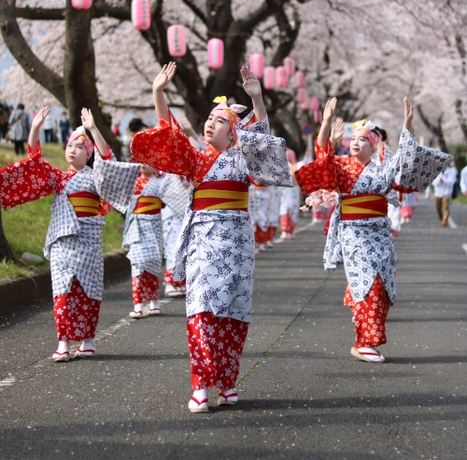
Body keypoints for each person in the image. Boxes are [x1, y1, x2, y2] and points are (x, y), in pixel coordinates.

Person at [130, 62, 292, 412]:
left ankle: (228, 381)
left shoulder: (242, 159)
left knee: (234, 311)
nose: (209, 124)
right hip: (204, 239)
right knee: (202, 306)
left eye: (219, 121)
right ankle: (202, 384)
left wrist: (257, 99)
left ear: (234, 134)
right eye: (208, 119)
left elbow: (260, 139)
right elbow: (170, 134)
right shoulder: (196, 159)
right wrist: (158, 93)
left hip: (237, 244)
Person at [295, 97, 451, 364]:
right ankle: (364, 342)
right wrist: (327, 123)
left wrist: (408, 125)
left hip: (379, 232)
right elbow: (323, 153)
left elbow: (406, 160)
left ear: (374, 144)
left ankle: (364, 337)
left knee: (383, 285)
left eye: (363, 139)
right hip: (354, 232)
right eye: (353, 138)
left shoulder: (383, 169)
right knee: (369, 284)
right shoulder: (342, 166)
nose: (356, 142)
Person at [0, 106, 140, 362]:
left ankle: (87, 339)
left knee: (87, 291)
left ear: (88, 154)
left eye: (79, 147)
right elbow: (35, 162)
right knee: (63, 292)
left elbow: (106, 159)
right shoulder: (58, 178)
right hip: (63, 242)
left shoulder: (96, 176)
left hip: (88, 240)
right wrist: (34, 129)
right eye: (70, 146)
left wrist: (93, 129)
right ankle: (63, 341)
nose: (72, 150)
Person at [122, 163, 188, 317]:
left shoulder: (162, 182)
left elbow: (172, 200)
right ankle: (138, 304)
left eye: (148, 161)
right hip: (136, 226)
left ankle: (154, 302)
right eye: (141, 161)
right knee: (137, 265)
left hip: (154, 226)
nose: (143, 165)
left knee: (152, 264)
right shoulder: (132, 182)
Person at [432, 160, 458, 227]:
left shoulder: (450, 171)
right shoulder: (436, 171)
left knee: (446, 207)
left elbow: (453, 181)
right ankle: (441, 219)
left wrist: (444, 180)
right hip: (438, 193)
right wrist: (439, 180)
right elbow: (433, 182)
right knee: (438, 207)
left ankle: (445, 220)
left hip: (447, 193)